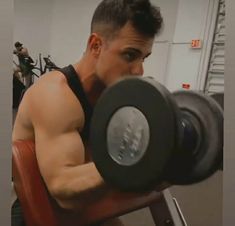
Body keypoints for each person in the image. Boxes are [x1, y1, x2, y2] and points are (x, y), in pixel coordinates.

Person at [12, 0, 163, 225]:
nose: (139, 70)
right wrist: (139, 163)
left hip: (93, 205)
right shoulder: (55, 95)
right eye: (130, 55)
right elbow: (64, 192)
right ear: (95, 45)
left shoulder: (116, 95)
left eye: (144, 57)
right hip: (42, 214)